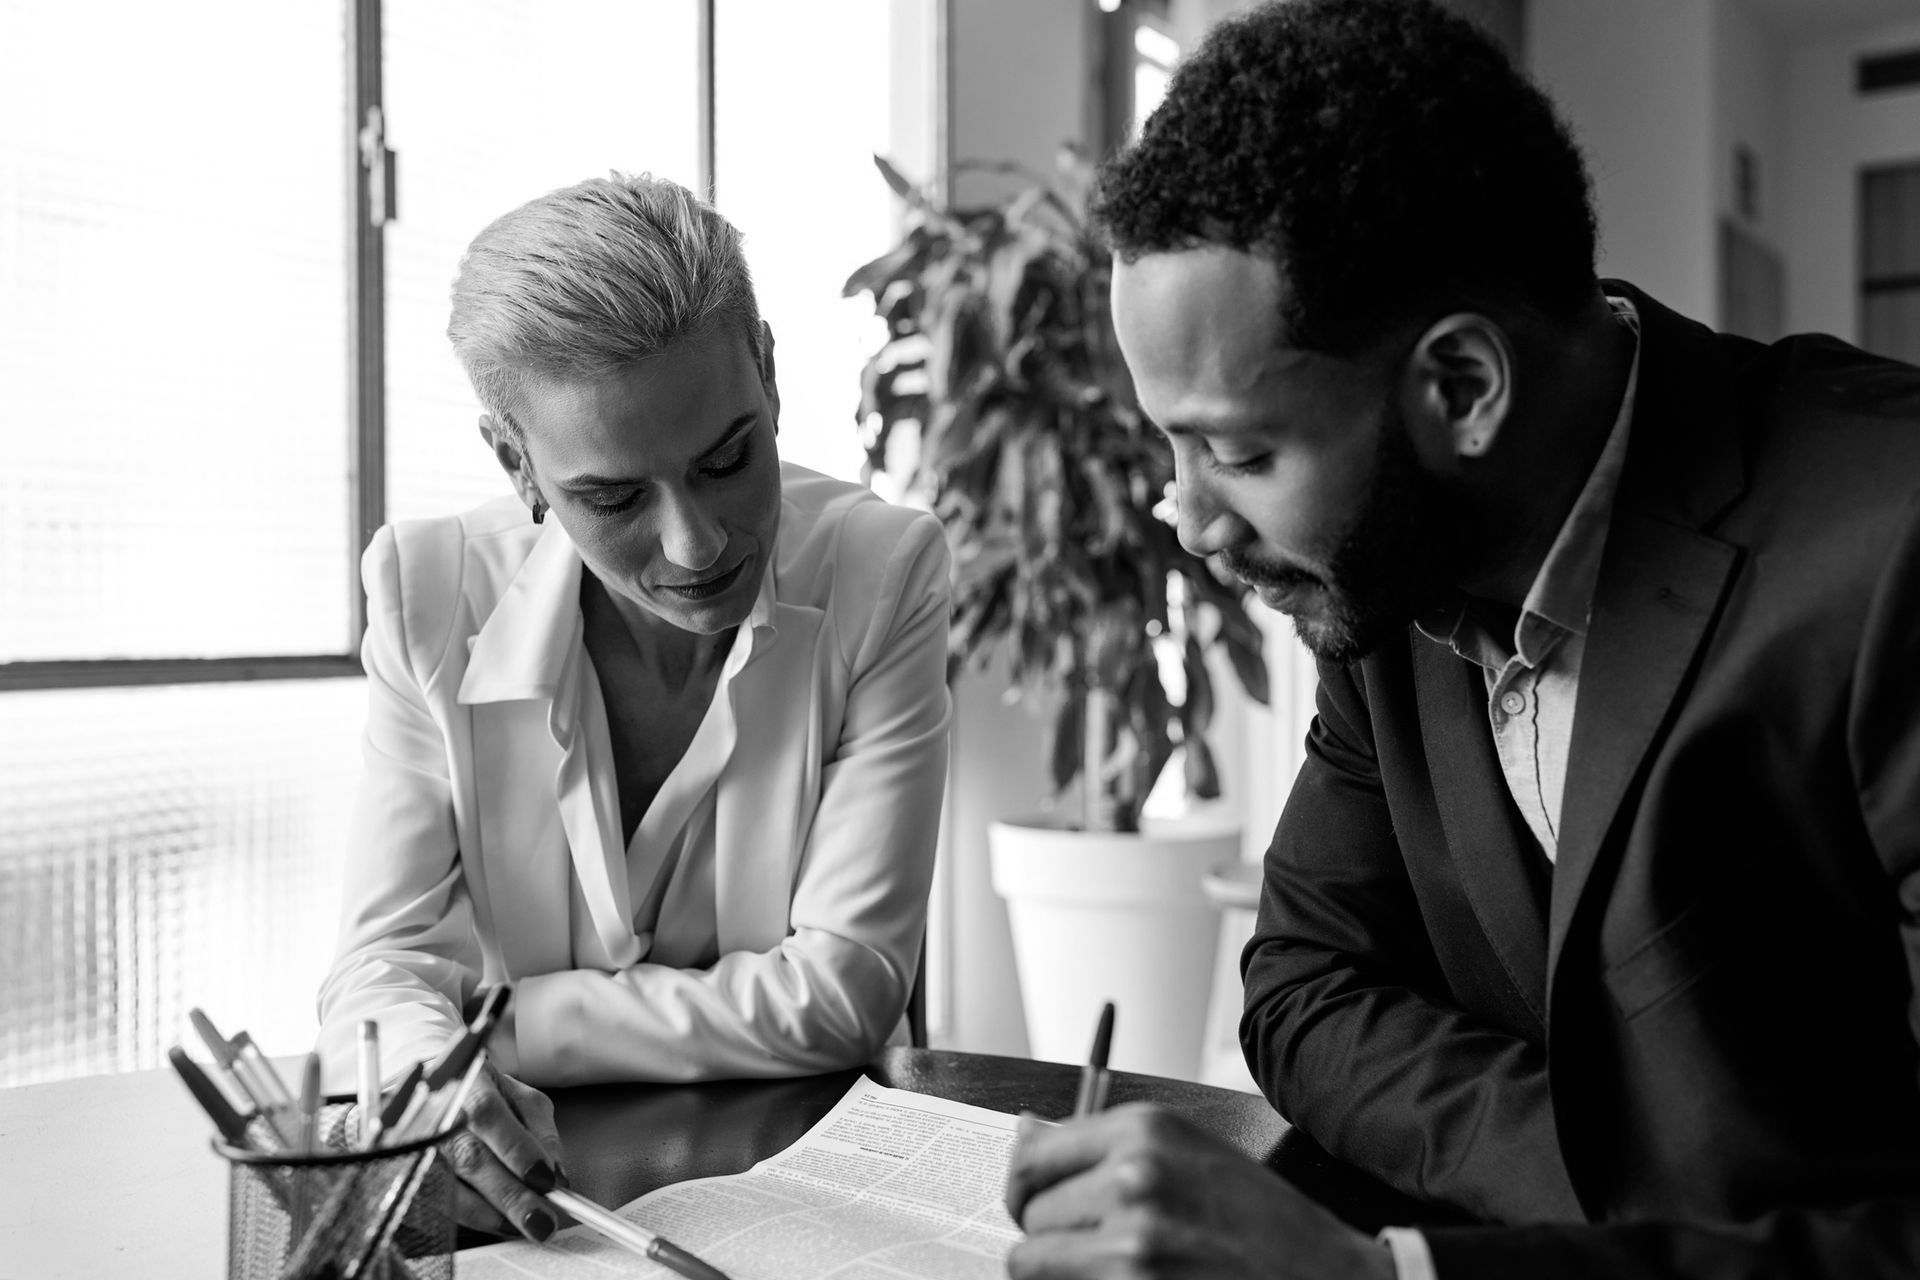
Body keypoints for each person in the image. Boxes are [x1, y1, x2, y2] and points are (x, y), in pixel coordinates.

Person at [1004, 1, 1920, 1276]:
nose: (1192, 523)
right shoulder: (1389, 576)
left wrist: (1382, 1275)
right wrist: (1614, 1177)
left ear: (1463, 390)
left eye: (1239, 452)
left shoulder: (1894, 554)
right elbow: (1306, 984)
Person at [316, 173, 952, 1243]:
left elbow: (847, 989)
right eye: (612, 498)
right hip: (540, 1204)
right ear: (518, 463)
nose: (697, 544)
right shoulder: (430, 594)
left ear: (772, 375)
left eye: (728, 459)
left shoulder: (882, 570)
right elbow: (379, 968)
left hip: (807, 1193)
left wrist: (502, 1024)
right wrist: (436, 1079)